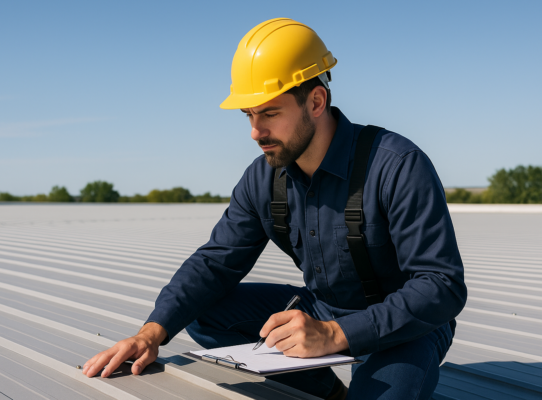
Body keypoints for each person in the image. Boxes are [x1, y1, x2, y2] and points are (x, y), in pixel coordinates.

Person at [82, 18, 467, 400]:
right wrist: (150, 333)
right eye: (248, 115)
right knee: (203, 310)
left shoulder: (396, 165)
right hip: (324, 308)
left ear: (316, 101)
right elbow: (215, 262)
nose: (255, 132)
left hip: (407, 323)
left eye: (269, 113)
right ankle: (327, 391)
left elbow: (442, 286)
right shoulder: (264, 178)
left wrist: (335, 335)